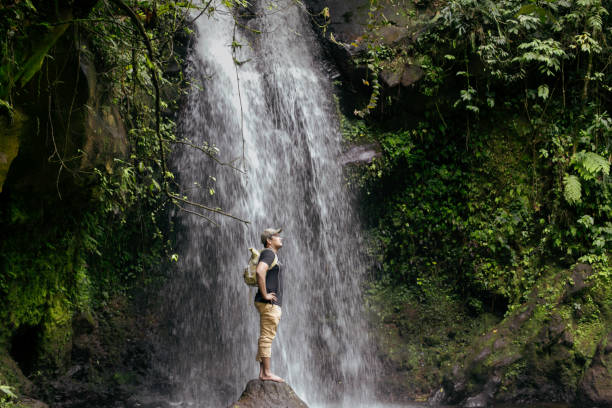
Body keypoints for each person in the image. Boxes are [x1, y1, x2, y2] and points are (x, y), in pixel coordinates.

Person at [254, 228, 284, 382]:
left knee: (265, 336)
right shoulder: (269, 253)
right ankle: (266, 373)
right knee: (267, 337)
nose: (280, 238)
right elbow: (260, 271)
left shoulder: (270, 254)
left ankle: (262, 372)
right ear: (269, 241)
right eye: (277, 236)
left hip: (267, 303)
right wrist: (266, 294)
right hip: (269, 303)